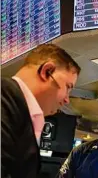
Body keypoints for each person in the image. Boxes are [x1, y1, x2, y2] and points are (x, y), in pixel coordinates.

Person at [1, 44, 81, 178]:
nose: (67, 100)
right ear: (46, 71)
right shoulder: (4, 100)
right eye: (68, 87)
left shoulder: (19, 112)